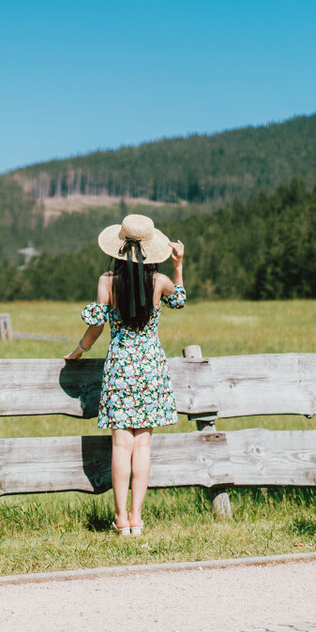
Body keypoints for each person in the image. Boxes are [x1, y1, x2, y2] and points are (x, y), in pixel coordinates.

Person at [64, 214, 185, 536]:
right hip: (150, 366)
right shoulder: (159, 281)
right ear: (151, 249)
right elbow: (180, 301)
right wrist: (179, 266)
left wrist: (81, 349)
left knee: (120, 445)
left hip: (120, 364)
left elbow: (97, 323)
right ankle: (137, 517)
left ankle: (119, 518)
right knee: (142, 446)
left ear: (117, 249)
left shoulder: (107, 281)